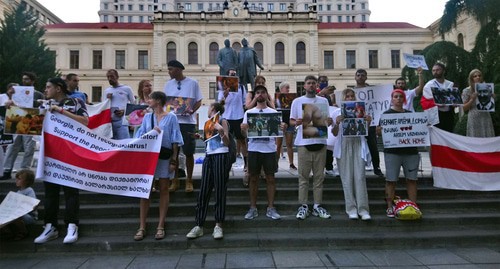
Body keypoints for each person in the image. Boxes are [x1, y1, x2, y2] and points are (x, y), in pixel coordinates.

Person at [34, 77, 89, 244]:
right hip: (50, 155)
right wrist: (11, 108)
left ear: (59, 88)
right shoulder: (43, 104)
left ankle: (72, 224)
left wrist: (60, 110)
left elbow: (85, 121)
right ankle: (50, 226)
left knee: (71, 192)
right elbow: (29, 125)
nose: (45, 90)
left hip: (70, 155)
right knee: (50, 192)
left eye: (48, 87)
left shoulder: (76, 101)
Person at [133, 91, 183, 241]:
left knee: (163, 189)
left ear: (158, 101)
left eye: (151, 99)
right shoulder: (147, 117)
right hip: (149, 158)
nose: (148, 101)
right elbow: (139, 137)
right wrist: (151, 133)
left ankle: (160, 225)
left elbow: (175, 140)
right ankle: (142, 226)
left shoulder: (171, 117)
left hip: (164, 157)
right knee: (145, 191)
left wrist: (174, 161)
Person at [290, 75, 332, 220]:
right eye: (309, 83)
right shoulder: (297, 101)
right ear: (305, 86)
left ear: (317, 86)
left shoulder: (324, 101)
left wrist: (329, 121)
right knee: (303, 177)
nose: (312, 85)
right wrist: (297, 122)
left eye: (314, 83)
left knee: (319, 177)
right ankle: (303, 205)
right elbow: (291, 121)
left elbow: (327, 121)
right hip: (303, 143)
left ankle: (317, 205)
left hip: (320, 142)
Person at [186, 102, 230, 240]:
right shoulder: (208, 123)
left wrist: (222, 132)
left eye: (210, 107)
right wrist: (201, 138)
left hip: (221, 155)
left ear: (214, 109)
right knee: (204, 190)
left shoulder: (222, 120)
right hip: (209, 156)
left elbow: (227, 142)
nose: (208, 110)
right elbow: (210, 141)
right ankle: (199, 224)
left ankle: (218, 225)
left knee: (219, 190)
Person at [241, 85, 283, 220]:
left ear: (266, 95)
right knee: (253, 178)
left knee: (270, 178)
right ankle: (253, 207)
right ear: (255, 96)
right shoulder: (249, 113)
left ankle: (271, 207)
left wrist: (283, 126)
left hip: (269, 149)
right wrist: (243, 128)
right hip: (254, 149)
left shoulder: (273, 112)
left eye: (262, 92)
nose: (260, 94)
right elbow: (244, 134)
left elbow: (278, 132)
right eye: (257, 92)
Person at [377, 89, 420, 218]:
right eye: (396, 96)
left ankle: (413, 205)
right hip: (392, 152)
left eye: (401, 96)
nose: (398, 99)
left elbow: (417, 129)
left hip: (410, 151)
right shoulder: (385, 115)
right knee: (391, 180)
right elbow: (378, 132)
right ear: (392, 99)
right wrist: (380, 130)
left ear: (404, 99)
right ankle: (389, 207)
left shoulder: (411, 114)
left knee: (412, 180)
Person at [332, 88, 372, 220]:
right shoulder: (337, 112)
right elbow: (334, 133)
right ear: (343, 98)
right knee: (347, 178)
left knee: (360, 177)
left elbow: (366, 130)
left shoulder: (361, 111)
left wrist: (368, 121)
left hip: (358, 144)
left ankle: (363, 209)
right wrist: (337, 122)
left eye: (351, 96)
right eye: (347, 96)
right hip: (343, 145)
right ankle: (351, 209)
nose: (349, 98)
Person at [163, 60, 203, 192]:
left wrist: (192, 110)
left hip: (188, 123)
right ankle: (174, 180)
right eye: (168, 69)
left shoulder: (193, 83)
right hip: (173, 122)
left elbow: (198, 101)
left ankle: (189, 180)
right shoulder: (168, 84)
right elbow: (165, 103)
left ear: (179, 69)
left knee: (189, 152)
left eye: (171, 69)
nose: (169, 71)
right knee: (173, 152)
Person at [2, 72, 44, 181]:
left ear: (32, 81)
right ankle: (7, 170)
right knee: (13, 146)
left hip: (32, 121)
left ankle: (24, 171)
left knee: (29, 147)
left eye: (27, 79)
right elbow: (9, 103)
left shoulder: (38, 94)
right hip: (18, 119)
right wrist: (10, 95)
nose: (24, 81)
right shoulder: (16, 92)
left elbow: (41, 106)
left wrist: (37, 102)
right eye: (23, 79)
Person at [354, 69, 384, 177]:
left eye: (363, 75)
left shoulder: (373, 91)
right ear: (355, 77)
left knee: (373, 146)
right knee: (356, 146)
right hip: (356, 124)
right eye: (358, 75)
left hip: (371, 122)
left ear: (366, 77)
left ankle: (377, 167)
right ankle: (356, 167)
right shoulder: (352, 92)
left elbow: (380, 107)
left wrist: (378, 124)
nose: (360, 77)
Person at [217, 69, 247, 171]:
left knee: (242, 140)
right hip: (227, 117)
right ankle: (227, 163)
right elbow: (219, 105)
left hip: (239, 116)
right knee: (227, 140)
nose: (232, 76)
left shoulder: (242, 88)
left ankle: (246, 163)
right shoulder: (222, 88)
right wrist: (224, 96)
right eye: (231, 74)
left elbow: (244, 103)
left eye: (234, 74)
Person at [0, 169, 37, 240]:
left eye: (19, 179)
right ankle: (6, 231)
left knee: (15, 214)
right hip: (18, 215)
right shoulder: (18, 192)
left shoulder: (29, 190)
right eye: (16, 178)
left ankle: (23, 232)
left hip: (29, 216)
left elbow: (33, 204)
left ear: (27, 181)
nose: (16, 180)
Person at [102, 69, 135, 139]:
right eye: (108, 77)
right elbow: (103, 107)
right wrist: (108, 100)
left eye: (112, 76)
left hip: (122, 121)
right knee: (111, 144)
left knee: (124, 144)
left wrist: (124, 111)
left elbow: (133, 105)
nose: (110, 79)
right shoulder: (106, 91)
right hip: (109, 122)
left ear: (117, 76)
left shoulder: (127, 89)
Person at [422, 63, 456, 133]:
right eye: (433, 70)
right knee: (437, 135)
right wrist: (445, 99)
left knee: (448, 133)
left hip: (448, 114)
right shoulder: (429, 85)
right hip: (436, 114)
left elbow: (454, 99)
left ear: (443, 71)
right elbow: (429, 99)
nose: (435, 72)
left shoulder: (450, 84)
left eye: (438, 70)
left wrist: (454, 102)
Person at [462, 69, 495, 137]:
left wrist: (492, 96)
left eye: (479, 75)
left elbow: (491, 104)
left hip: (485, 116)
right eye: (475, 76)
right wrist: (472, 99)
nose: (478, 77)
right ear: (471, 78)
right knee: (475, 138)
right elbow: (463, 108)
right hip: (474, 118)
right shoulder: (467, 90)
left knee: (487, 137)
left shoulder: (487, 88)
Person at [275, 82, 297, 170]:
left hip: (289, 121)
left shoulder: (292, 99)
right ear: (281, 89)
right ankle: (275, 163)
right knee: (278, 144)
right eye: (286, 88)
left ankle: (291, 163)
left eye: (288, 88)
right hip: (280, 122)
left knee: (289, 144)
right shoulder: (276, 99)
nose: (288, 89)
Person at [325, 86, 340, 176]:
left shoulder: (338, 109)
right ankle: (329, 167)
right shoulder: (324, 103)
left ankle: (334, 166)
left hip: (335, 130)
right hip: (328, 129)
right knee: (328, 150)